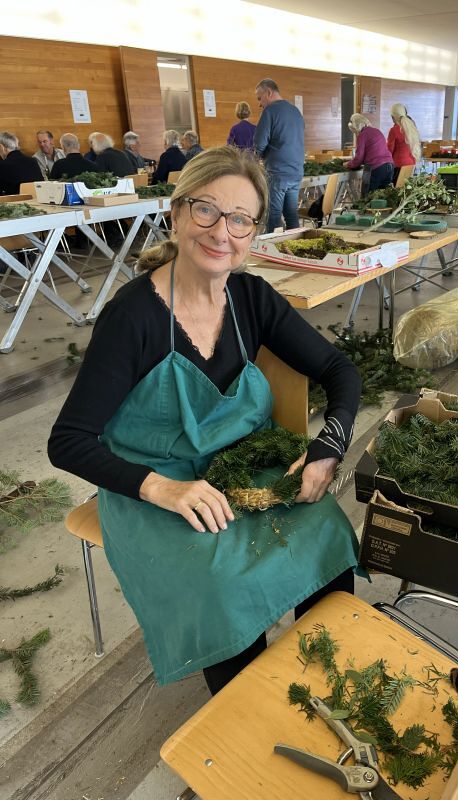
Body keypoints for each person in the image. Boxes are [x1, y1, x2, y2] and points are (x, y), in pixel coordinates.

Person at [48, 145, 362, 695]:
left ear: (253, 232)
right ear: (176, 213)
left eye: (240, 219)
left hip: (242, 465)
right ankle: (245, 710)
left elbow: (340, 371)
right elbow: (68, 442)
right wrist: (162, 489)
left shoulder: (251, 297)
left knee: (325, 530)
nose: (222, 232)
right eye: (206, 210)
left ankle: (328, 682)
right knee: (221, 584)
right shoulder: (132, 317)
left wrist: (328, 448)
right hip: (152, 488)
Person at [254, 78, 304, 232]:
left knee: (274, 216)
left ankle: (273, 246)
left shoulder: (270, 111)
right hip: (296, 171)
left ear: (269, 92)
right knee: (291, 214)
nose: (259, 104)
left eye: (259, 98)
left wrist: (255, 159)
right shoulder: (295, 111)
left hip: (278, 172)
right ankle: (295, 244)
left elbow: (259, 143)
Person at [345, 114, 393, 195]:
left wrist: (348, 164)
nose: (356, 133)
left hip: (375, 168)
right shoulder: (377, 131)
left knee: (367, 196)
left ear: (356, 127)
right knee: (384, 197)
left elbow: (359, 158)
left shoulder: (363, 135)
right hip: (389, 166)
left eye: (355, 131)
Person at [387, 103, 421, 184]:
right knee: (407, 188)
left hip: (398, 165)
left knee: (396, 189)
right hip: (411, 164)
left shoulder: (394, 130)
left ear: (393, 116)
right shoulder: (412, 127)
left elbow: (389, 150)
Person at [0, 131, 43, 195]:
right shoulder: (33, 161)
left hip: (14, 201)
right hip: (37, 199)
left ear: (1, 147)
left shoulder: (2, 165)